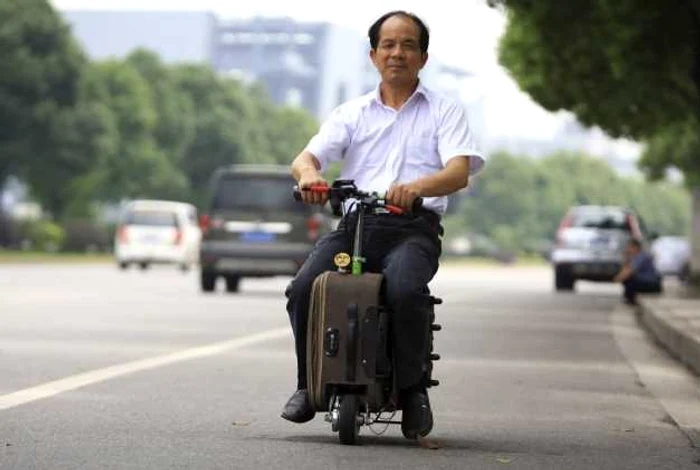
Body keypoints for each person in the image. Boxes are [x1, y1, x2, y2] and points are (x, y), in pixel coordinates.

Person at [281, 10, 486, 439]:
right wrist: (311, 177)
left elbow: (458, 172)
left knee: (406, 288)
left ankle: (413, 392)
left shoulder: (444, 112)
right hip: (356, 226)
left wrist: (416, 187)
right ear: (373, 55)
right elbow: (306, 158)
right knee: (303, 288)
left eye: (408, 45)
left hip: (413, 228)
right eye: (389, 45)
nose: (398, 53)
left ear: (423, 58)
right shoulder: (351, 113)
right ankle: (306, 383)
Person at [613, 238, 663, 305]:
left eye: (629, 247)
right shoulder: (636, 256)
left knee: (630, 279)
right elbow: (626, 270)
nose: (628, 250)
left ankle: (631, 300)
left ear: (635, 247)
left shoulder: (641, 256)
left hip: (652, 284)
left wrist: (618, 278)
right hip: (647, 282)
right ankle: (629, 299)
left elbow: (629, 271)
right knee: (628, 280)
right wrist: (625, 260)